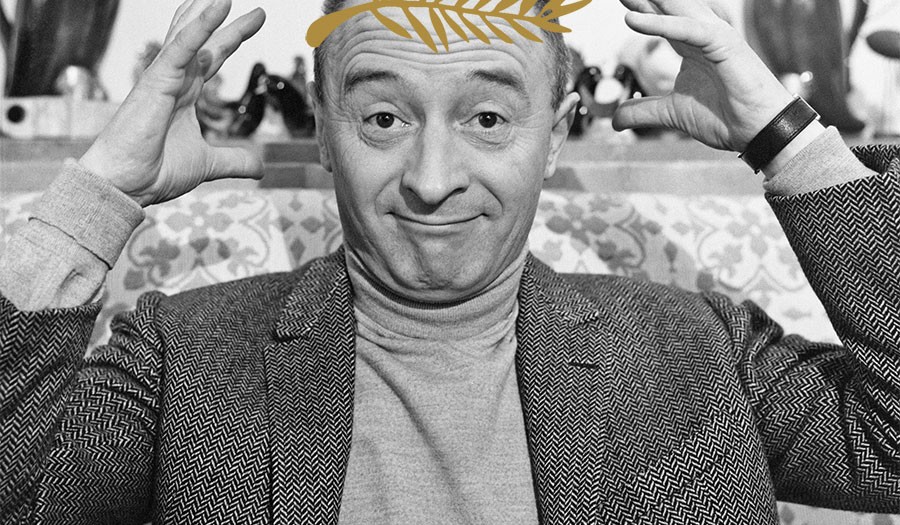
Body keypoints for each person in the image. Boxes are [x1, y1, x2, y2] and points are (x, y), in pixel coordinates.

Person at [1, 0, 897, 522]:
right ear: (325, 129)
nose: (432, 180)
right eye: (384, 118)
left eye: (489, 118)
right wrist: (100, 190)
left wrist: (787, 138)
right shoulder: (183, 351)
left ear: (555, 132)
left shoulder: (700, 345)